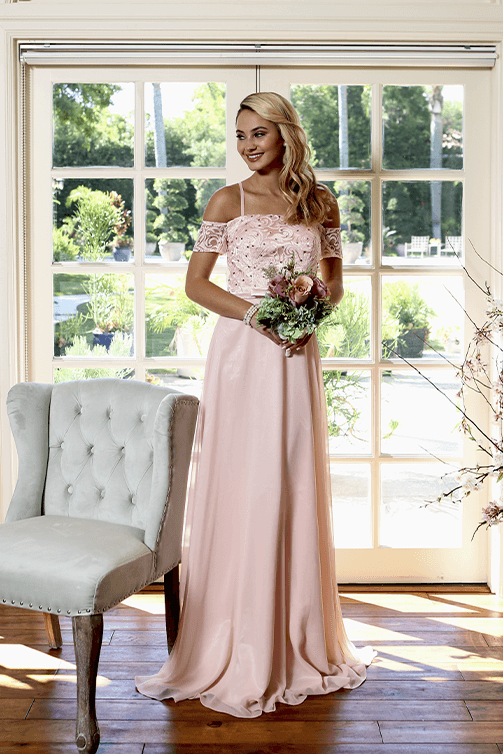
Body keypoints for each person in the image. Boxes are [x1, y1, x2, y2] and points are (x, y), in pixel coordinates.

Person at [136, 91, 375, 718]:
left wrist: (310, 307)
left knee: (291, 481)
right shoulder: (228, 200)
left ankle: (295, 637)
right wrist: (260, 314)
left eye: (258, 132)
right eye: (239, 134)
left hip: (296, 356)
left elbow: (337, 282)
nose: (247, 145)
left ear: (285, 133)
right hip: (244, 356)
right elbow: (196, 284)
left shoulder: (318, 203)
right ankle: (232, 640)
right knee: (243, 484)